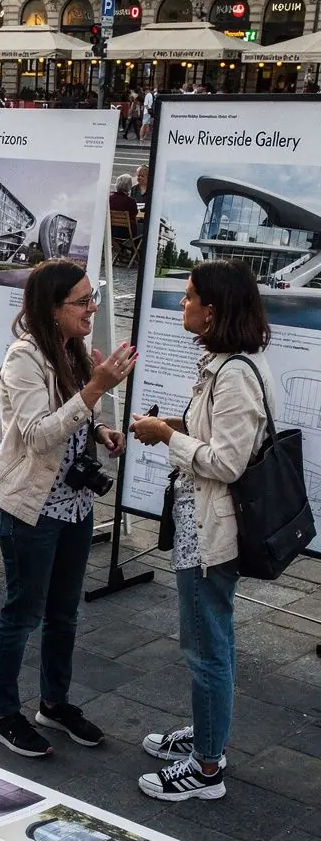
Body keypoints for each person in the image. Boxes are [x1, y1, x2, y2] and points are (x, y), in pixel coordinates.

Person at [0, 261, 137, 757]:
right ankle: (0, 714)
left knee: (64, 613)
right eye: (83, 301)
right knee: (23, 613)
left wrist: (100, 430)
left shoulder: (73, 350)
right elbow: (37, 434)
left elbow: (73, 420)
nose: (94, 308)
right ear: (52, 308)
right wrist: (97, 388)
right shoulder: (22, 358)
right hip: (32, 505)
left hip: (74, 504)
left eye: (94, 297)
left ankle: (54, 703)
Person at [131, 261, 275, 803]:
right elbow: (214, 437)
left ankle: (207, 767)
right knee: (212, 636)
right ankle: (208, 732)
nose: (183, 305)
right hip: (203, 520)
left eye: (190, 297)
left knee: (205, 644)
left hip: (212, 528)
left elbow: (229, 463)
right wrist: (168, 428)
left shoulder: (235, 372)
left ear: (213, 309)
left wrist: (169, 435)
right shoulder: (225, 363)